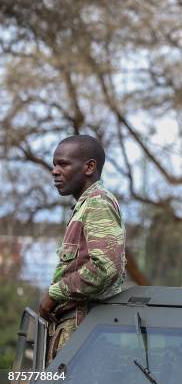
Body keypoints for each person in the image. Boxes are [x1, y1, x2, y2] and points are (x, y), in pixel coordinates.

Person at [39, 135, 126, 362]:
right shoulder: (85, 205)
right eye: (54, 165)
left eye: (63, 164)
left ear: (89, 167)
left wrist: (53, 293)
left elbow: (105, 268)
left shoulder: (97, 203)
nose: (55, 171)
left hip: (83, 328)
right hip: (76, 327)